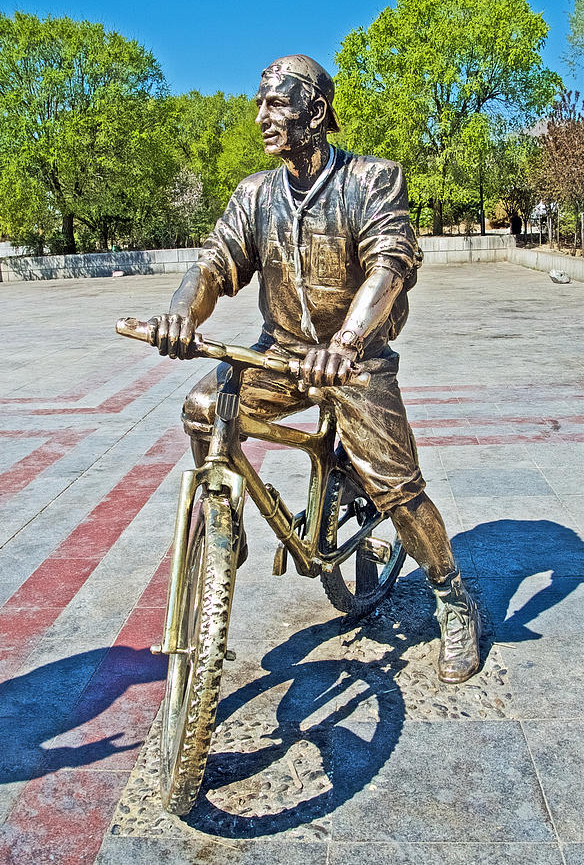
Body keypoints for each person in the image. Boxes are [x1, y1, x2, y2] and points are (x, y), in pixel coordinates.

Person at [147, 55, 481, 684]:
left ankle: (452, 595)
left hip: (357, 358)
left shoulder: (373, 179)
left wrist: (350, 339)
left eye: (275, 104)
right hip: (281, 350)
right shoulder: (256, 193)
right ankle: (228, 518)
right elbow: (214, 265)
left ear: (316, 112)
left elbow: (390, 265)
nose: (261, 117)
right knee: (201, 408)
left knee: (399, 491)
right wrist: (180, 314)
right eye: (259, 103)